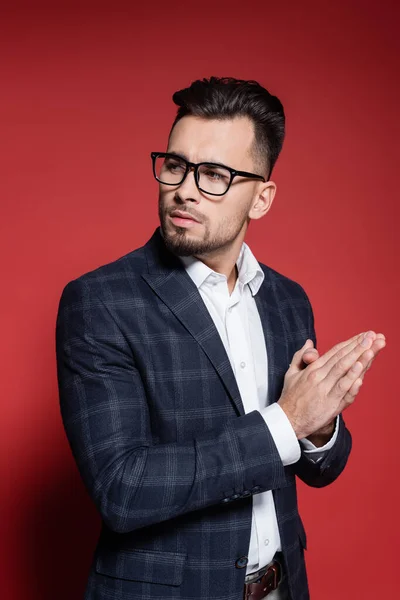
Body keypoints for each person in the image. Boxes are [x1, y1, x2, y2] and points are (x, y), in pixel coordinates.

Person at [55, 77, 386, 600]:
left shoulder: (287, 300)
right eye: (175, 165)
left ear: (262, 198)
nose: (184, 188)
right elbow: (123, 489)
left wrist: (319, 427)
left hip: (283, 585)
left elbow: (319, 468)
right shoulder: (100, 303)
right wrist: (286, 420)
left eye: (214, 174)